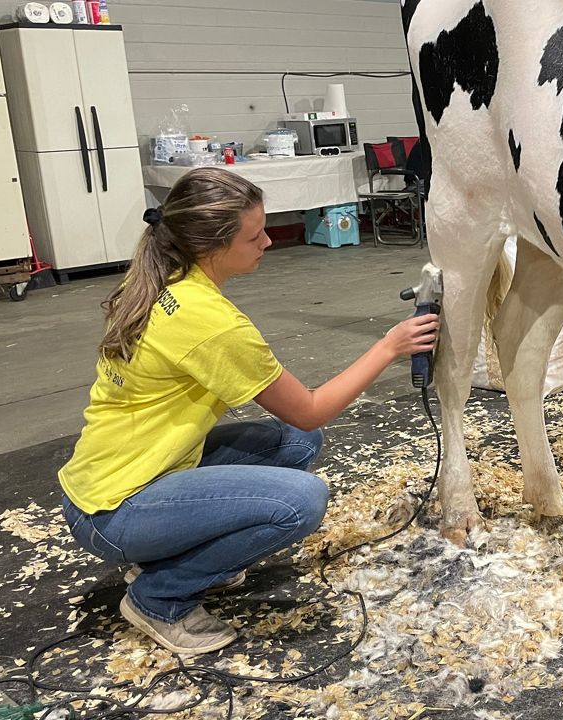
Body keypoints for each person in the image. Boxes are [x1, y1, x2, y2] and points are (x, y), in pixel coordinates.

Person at [58, 167, 438, 655]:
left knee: (295, 445)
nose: (267, 243)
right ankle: (159, 598)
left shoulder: (163, 276)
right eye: (254, 235)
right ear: (213, 246)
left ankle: (177, 554)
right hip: (113, 512)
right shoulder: (211, 323)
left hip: (108, 480)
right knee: (300, 501)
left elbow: (298, 426)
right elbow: (309, 409)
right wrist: (389, 347)